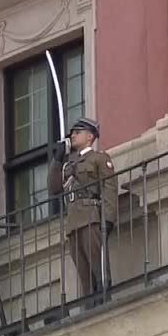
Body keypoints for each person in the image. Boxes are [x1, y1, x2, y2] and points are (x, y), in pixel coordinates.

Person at [48, 117, 119, 307]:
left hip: (91, 216)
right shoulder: (68, 164)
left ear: (90, 136)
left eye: (77, 132)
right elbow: (54, 188)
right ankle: (89, 302)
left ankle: (103, 297)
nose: (73, 135)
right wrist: (57, 161)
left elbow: (109, 189)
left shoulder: (99, 158)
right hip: (73, 220)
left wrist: (108, 220)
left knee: (98, 266)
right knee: (83, 269)